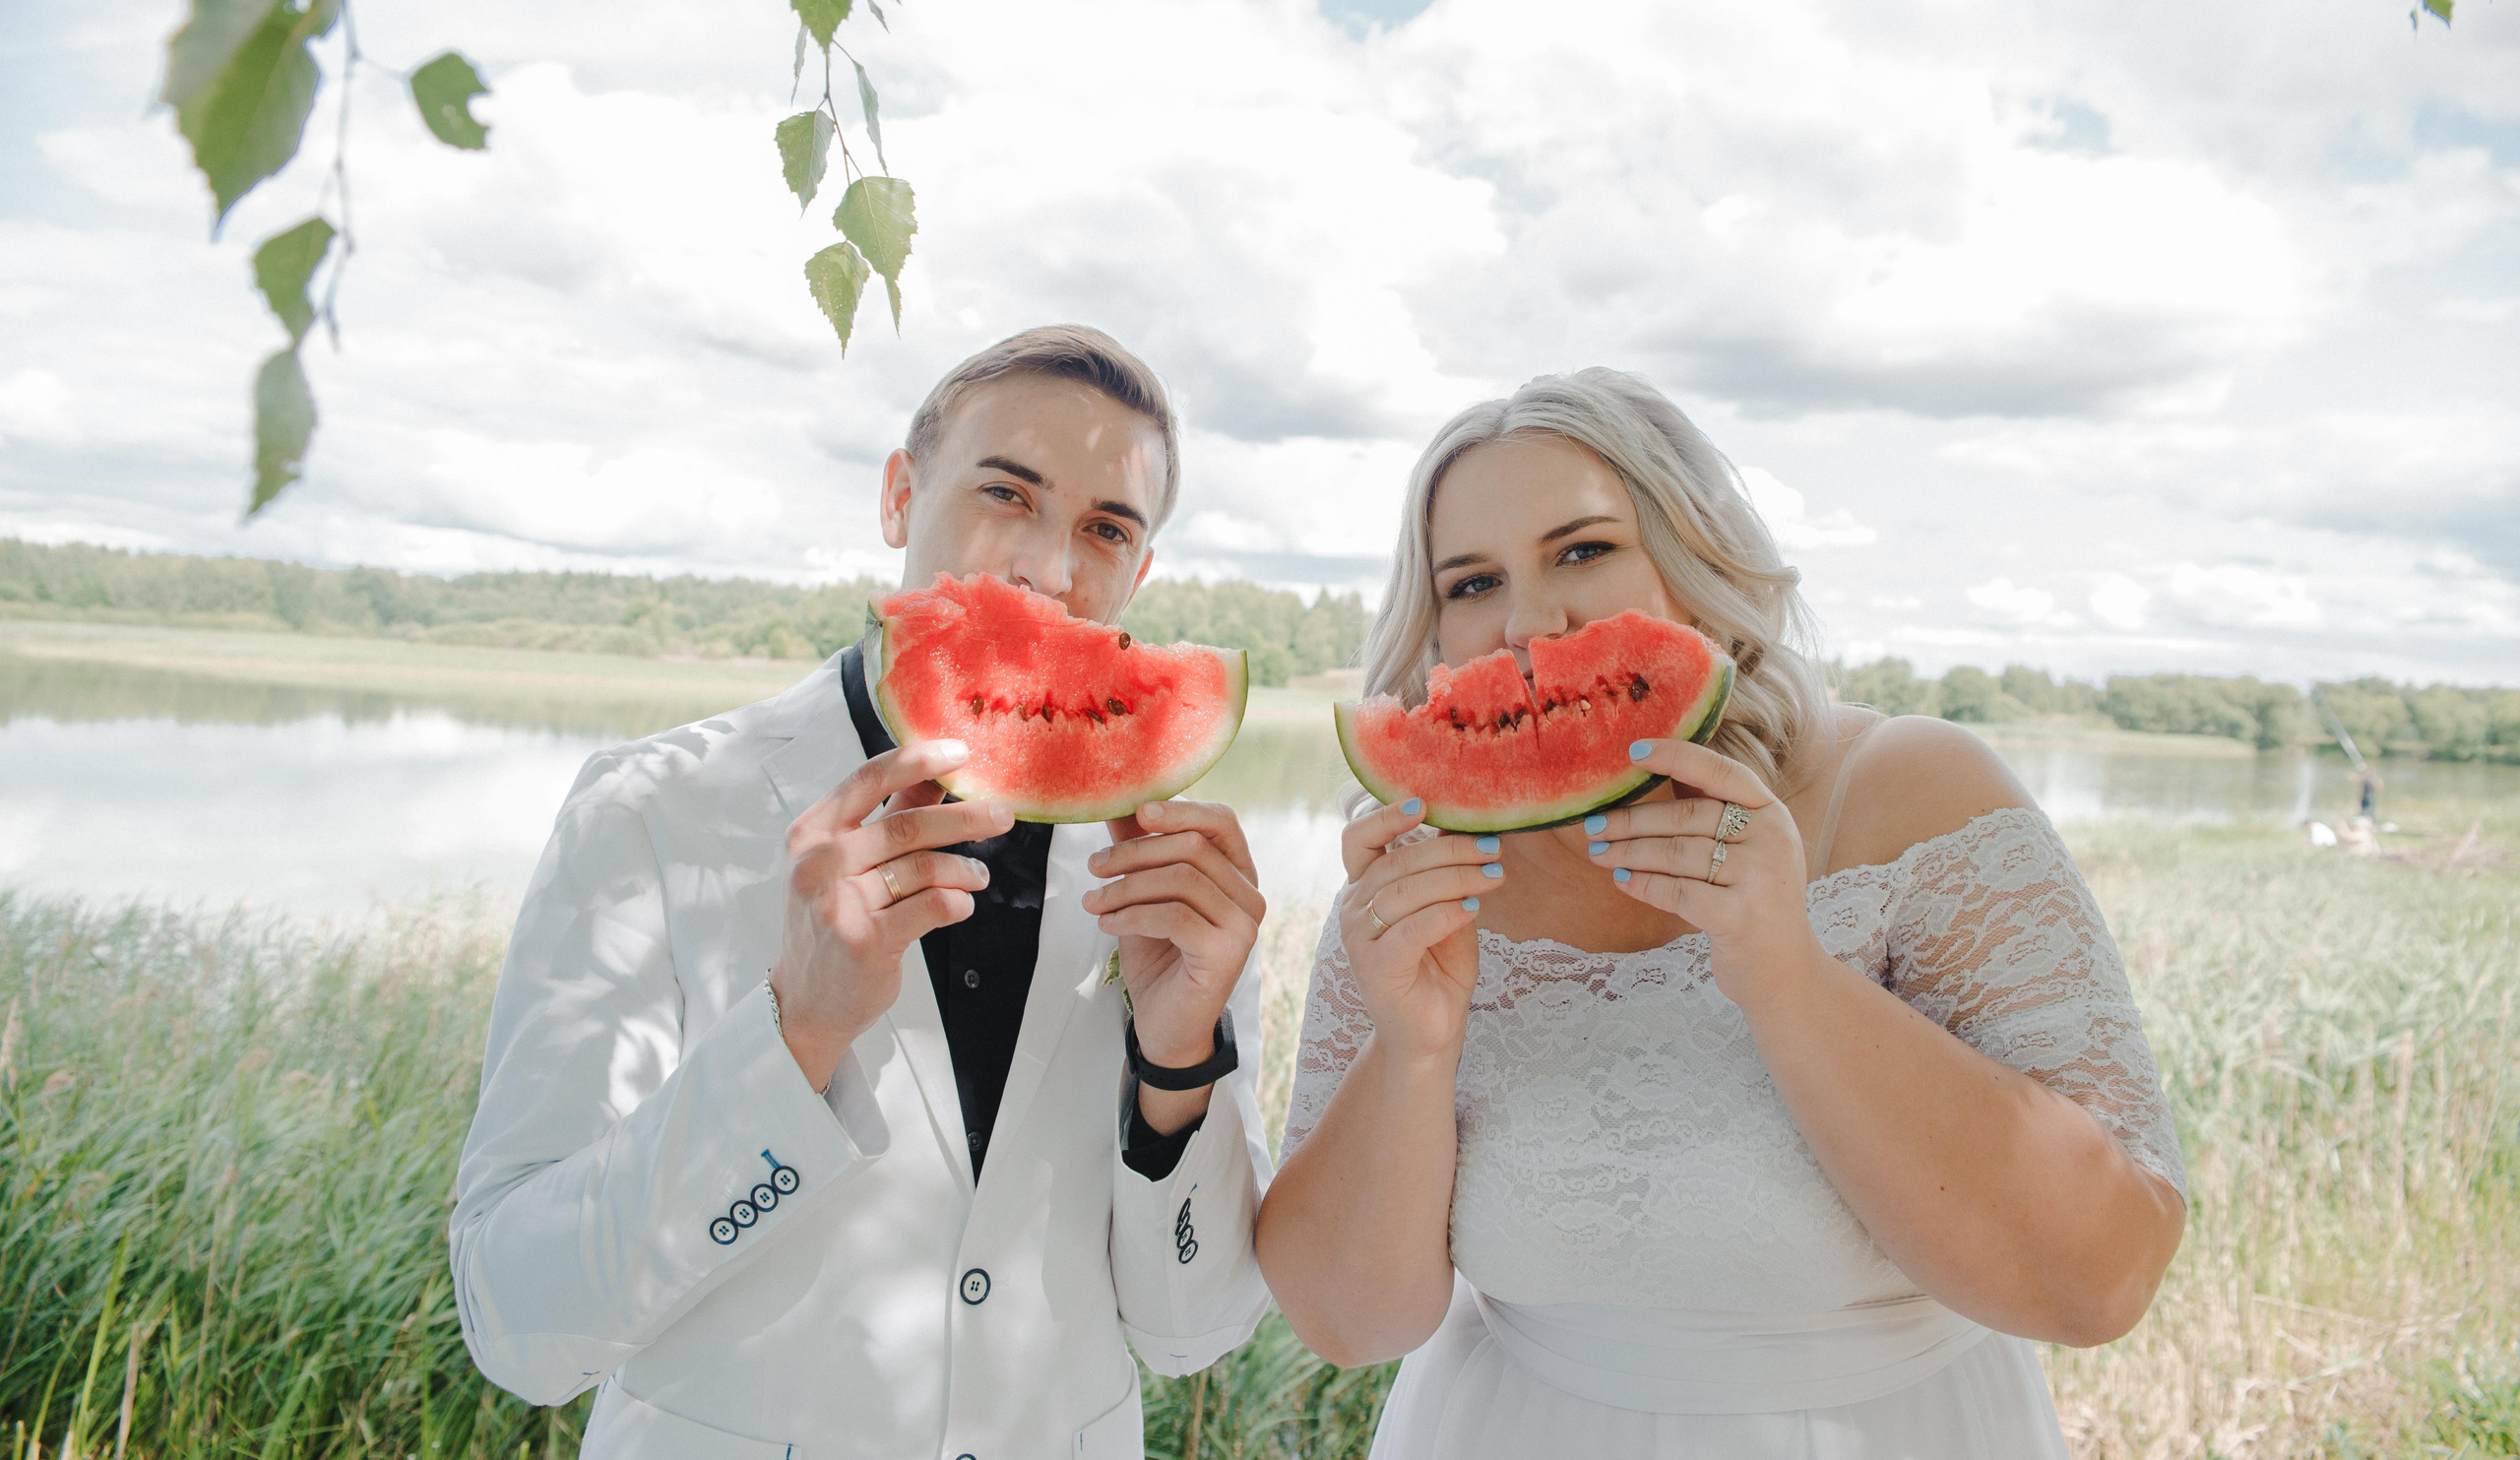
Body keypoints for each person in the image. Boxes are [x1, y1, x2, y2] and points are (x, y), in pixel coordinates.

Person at [1255, 369, 2187, 1458]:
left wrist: (1786, 975)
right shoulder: (1424, 871)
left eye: (1582, 550)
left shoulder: (1910, 792)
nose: (1528, 620)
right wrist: (1413, 1049)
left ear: (1696, 564)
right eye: (1470, 582)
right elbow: (1346, 1324)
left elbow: (2100, 1283)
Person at [452, 327, 1275, 1460]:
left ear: (1141, 572)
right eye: (1005, 492)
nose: (1048, 568)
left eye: (1106, 528)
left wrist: (1178, 1059)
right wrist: (797, 1035)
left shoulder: (1173, 877)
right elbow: (518, 1326)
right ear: (898, 495)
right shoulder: (655, 810)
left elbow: (1196, 1330)